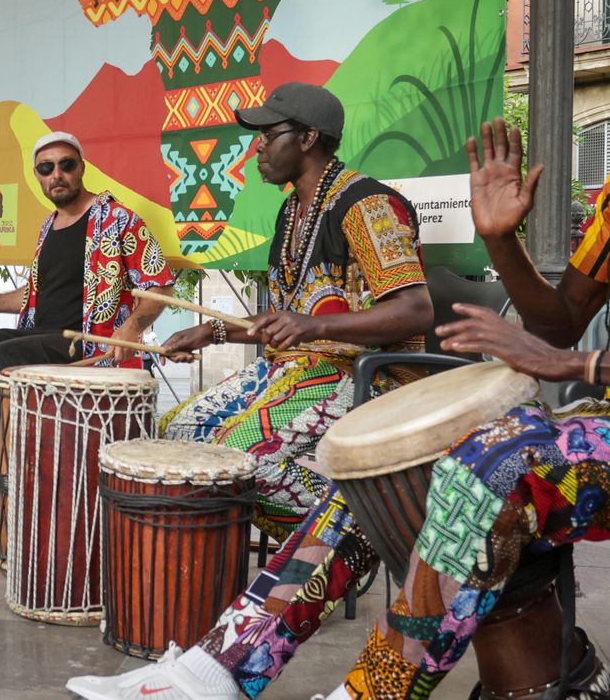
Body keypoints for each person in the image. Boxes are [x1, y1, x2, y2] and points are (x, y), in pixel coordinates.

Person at [70, 0, 610, 700]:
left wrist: (578, 364)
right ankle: (222, 667)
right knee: (387, 472)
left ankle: (375, 688)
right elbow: (558, 318)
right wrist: (503, 242)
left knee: (492, 469)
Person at [157, 82, 433, 536]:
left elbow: (416, 310)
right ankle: (216, 562)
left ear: (307, 138)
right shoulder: (292, 212)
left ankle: (356, 534)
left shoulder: (368, 206)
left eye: (268, 134)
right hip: (296, 368)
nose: (258, 147)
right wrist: (211, 333)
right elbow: (283, 324)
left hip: (367, 376)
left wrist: (314, 325)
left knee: (241, 461)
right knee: (179, 431)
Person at [0, 131, 175, 370]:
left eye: (66, 165)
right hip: (42, 336)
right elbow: (35, 294)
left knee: (7, 354)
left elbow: (161, 284)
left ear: (82, 169)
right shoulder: (48, 225)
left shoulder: (117, 218)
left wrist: (132, 327)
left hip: (87, 345)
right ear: (37, 175)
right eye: (46, 168)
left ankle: (10, 409)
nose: (56, 175)